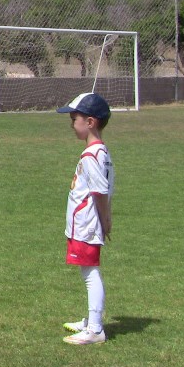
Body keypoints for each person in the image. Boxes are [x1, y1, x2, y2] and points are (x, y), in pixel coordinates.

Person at [56, 92, 114, 345]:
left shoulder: (91, 156)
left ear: (90, 122)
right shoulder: (100, 152)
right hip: (86, 222)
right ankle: (91, 321)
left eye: (74, 118)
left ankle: (95, 329)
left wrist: (105, 220)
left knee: (90, 273)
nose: (71, 124)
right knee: (87, 272)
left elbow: (100, 192)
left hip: (87, 223)